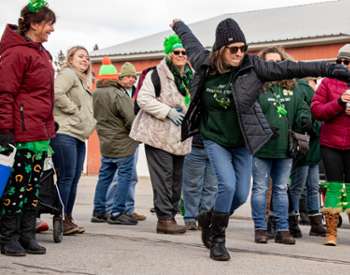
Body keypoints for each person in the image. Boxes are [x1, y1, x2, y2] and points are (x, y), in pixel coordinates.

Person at [171, 18, 350, 261]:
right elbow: (190, 41)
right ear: (220, 49)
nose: (239, 53)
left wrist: (329, 69)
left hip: (242, 139)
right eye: (233, 49)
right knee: (228, 185)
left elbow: (292, 69)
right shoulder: (204, 62)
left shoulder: (253, 67)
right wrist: (179, 25)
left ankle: (211, 218)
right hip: (214, 137)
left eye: (243, 48)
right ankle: (218, 238)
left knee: (241, 194)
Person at [0, 1, 56, 256]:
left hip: (39, 132)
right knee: (16, 187)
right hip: (21, 133)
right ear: (34, 24)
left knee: (33, 187)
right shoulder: (16, 53)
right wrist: (5, 129)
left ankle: (26, 234)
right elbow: (4, 93)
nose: (51, 29)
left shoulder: (42, 53)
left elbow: (45, 96)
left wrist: (48, 126)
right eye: (48, 24)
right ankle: (6, 236)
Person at [129, 34, 193, 234]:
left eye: (184, 52)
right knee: (163, 177)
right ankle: (164, 219)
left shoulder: (190, 76)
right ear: (169, 53)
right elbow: (143, 99)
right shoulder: (156, 74)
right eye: (177, 52)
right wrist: (168, 111)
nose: (181, 55)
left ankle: (171, 215)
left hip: (180, 137)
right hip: (158, 135)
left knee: (176, 178)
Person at [250, 46, 311, 245]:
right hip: (261, 148)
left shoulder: (293, 87)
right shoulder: (255, 87)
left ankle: (282, 229)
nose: (274, 65)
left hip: (285, 149)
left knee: (281, 189)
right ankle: (260, 228)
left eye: (278, 61)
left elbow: (303, 109)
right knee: (259, 189)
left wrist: (304, 119)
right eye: (269, 62)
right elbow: (247, 114)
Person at [51, 46, 95, 235]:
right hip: (64, 133)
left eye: (87, 57)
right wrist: (73, 110)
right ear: (70, 59)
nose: (85, 60)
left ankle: (68, 217)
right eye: (80, 56)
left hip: (78, 135)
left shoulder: (83, 82)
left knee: (74, 178)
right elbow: (56, 92)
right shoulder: (68, 74)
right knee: (66, 177)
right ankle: (60, 218)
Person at [92, 57, 139, 225]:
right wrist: (138, 136)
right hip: (123, 143)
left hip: (105, 142)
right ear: (115, 77)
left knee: (104, 177)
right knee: (124, 177)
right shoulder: (118, 94)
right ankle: (118, 211)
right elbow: (130, 119)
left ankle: (99, 211)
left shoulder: (95, 93)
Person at [311, 44, 350, 246]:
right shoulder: (327, 82)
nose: (343, 65)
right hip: (331, 143)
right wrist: (339, 103)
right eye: (340, 62)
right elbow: (317, 111)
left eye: (347, 62)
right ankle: (332, 232)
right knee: (333, 186)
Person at [103, 62, 146, 222]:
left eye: (133, 77)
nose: (130, 80)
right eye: (127, 76)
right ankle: (110, 207)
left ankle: (128, 208)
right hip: (119, 139)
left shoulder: (138, 93)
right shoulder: (115, 92)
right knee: (117, 176)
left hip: (133, 138)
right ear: (120, 78)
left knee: (131, 176)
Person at [288, 77, 326, 238]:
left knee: (300, 187)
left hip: (305, 148)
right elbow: (310, 120)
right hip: (311, 149)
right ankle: (315, 222)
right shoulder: (306, 90)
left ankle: (294, 220)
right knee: (311, 188)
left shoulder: (297, 89)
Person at [182, 134, 217, 230]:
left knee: (212, 186)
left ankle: (204, 219)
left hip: (217, 148)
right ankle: (190, 217)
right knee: (192, 185)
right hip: (194, 146)